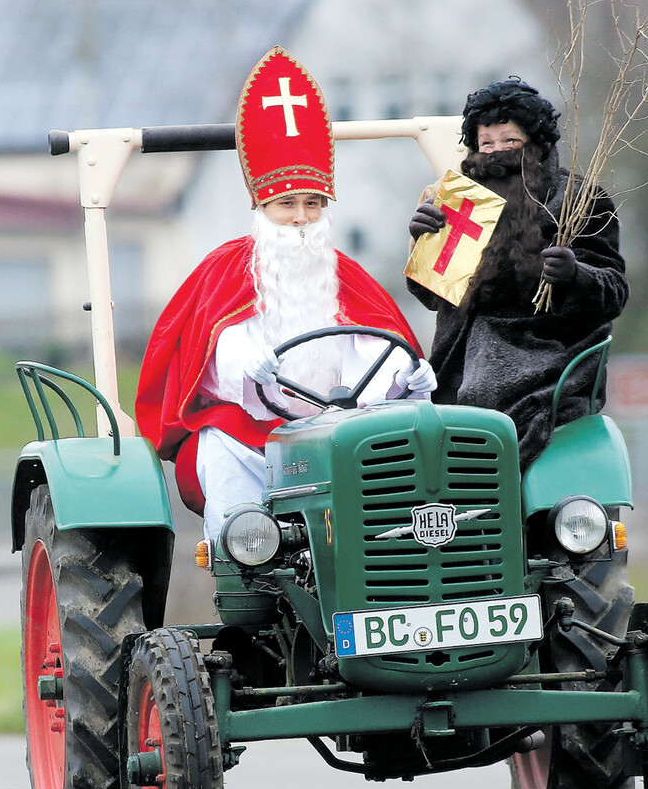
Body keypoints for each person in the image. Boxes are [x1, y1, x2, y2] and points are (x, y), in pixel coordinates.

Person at [136, 47, 435, 542]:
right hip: (251, 434)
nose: (301, 218)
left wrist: (406, 378)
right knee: (217, 445)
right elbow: (212, 352)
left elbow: (372, 350)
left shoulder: (344, 276)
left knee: (401, 446)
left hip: (340, 430)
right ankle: (243, 561)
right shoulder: (227, 270)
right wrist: (248, 369)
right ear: (260, 205)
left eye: (313, 204)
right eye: (286, 204)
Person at [405, 77, 628, 469]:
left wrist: (575, 277)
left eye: (509, 141)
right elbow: (432, 296)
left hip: (546, 351)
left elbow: (613, 290)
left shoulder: (578, 199)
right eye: (486, 143)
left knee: (483, 392)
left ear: (536, 142)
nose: (496, 153)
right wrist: (423, 243)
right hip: (459, 355)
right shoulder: (460, 200)